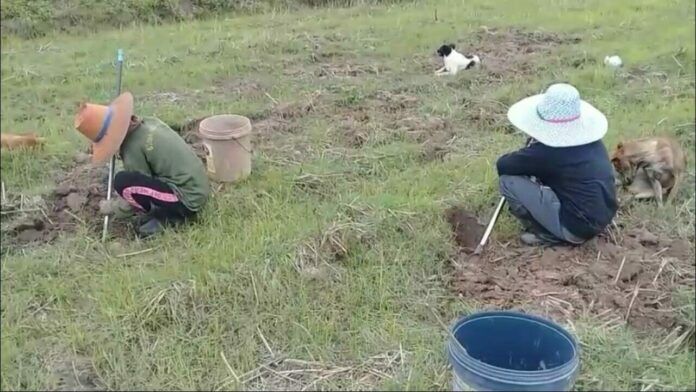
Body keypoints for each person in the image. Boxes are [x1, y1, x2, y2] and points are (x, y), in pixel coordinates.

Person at [496, 83, 618, 246]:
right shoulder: (593, 142)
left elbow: (503, 165)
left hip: (576, 228)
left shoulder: (547, 152)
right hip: (602, 217)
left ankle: (547, 233)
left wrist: (529, 152)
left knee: (508, 182)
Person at [73, 92, 210, 237]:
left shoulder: (132, 148)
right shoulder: (149, 123)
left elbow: (136, 188)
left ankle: (171, 217)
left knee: (123, 182)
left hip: (187, 198)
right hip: (197, 184)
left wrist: (113, 207)